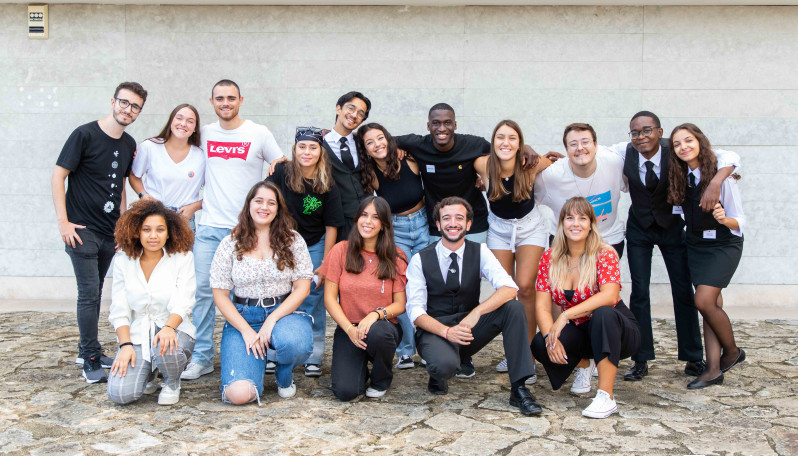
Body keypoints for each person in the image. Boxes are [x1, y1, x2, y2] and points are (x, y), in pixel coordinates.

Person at [603, 111, 740, 382]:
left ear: (659, 131)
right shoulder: (625, 151)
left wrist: (715, 182)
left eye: (647, 130)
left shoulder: (676, 149)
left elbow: (729, 157)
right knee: (639, 293)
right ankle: (640, 358)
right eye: (635, 132)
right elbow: (594, 152)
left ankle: (693, 357)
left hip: (673, 228)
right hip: (639, 229)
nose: (641, 136)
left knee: (684, 291)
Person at [183, 80, 285, 381]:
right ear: (211, 102)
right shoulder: (204, 134)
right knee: (203, 292)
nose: (225, 103)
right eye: (219, 99)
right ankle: (202, 356)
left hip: (248, 230)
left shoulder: (258, 133)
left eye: (231, 98)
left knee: (261, 288)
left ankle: (269, 348)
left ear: (240, 100)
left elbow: (279, 163)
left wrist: (276, 167)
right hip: (211, 227)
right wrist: (195, 205)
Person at [405, 197, 542, 416]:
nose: (453, 223)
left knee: (513, 308)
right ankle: (438, 369)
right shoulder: (420, 259)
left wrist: (477, 312)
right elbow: (415, 311)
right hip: (435, 331)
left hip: (469, 329)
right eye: (446, 218)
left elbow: (509, 288)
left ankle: (519, 389)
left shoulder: (481, 251)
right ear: (438, 225)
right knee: (444, 366)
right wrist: (447, 332)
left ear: (468, 224)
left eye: (459, 218)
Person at [51, 81, 147, 383]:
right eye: (124, 103)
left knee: (97, 292)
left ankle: (86, 349)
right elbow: (58, 177)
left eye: (135, 107)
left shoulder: (129, 143)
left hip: (109, 233)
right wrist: (63, 223)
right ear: (113, 101)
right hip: (81, 229)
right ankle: (90, 358)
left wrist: (122, 229)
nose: (128, 110)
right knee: (89, 293)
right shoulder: (84, 134)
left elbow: (120, 188)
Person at [531, 197, 641, 419]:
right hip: (583, 330)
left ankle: (606, 396)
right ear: (561, 223)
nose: (575, 224)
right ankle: (585, 363)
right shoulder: (548, 258)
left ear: (591, 224)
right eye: (569, 218)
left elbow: (610, 296)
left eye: (582, 218)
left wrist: (565, 316)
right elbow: (542, 306)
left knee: (602, 313)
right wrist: (549, 337)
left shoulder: (605, 253)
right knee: (540, 345)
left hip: (617, 329)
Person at [209, 181, 313, 404]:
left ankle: (284, 374)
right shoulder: (230, 243)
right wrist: (246, 330)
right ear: (249, 205)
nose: (264, 207)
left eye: (271, 202)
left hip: (283, 313)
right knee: (238, 395)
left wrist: (272, 319)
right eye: (259, 201)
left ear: (278, 209)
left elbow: (303, 288)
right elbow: (220, 294)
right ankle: (253, 365)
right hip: (245, 316)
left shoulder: (293, 240)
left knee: (294, 343)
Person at [667, 123, 746, 389]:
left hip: (724, 245)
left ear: (699, 141)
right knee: (711, 306)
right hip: (696, 246)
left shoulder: (722, 178)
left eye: (688, 140)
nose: (683, 147)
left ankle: (733, 352)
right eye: (677, 144)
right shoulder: (680, 176)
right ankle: (713, 369)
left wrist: (726, 219)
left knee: (703, 300)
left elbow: (741, 222)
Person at [474, 120, 552, 380]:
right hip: (498, 229)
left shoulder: (530, 163)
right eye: (500, 137)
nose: (505, 143)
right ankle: (514, 351)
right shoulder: (483, 165)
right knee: (506, 292)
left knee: (526, 287)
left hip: (530, 228)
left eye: (512, 138)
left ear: (520, 143)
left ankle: (527, 355)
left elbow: (555, 166)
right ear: (493, 141)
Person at [395, 104, 539, 243]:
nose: (442, 128)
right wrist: (397, 148)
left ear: (455, 125)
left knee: (475, 268)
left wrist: (525, 147)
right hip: (437, 226)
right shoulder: (418, 144)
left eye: (447, 123)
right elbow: (384, 141)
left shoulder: (474, 144)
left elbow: (503, 149)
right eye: (436, 123)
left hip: (474, 224)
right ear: (428, 126)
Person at [265, 126, 344, 377]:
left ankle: (313, 353)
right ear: (294, 149)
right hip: (281, 245)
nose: (307, 152)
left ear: (320, 152)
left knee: (312, 297)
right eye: (302, 146)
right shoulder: (280, 172)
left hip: (314, 244)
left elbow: (332, 224)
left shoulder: (327, 183)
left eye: (313, 147)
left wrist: (326, 262)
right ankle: (273, 351)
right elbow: (264, 202)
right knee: (278, 295)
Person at [107, 199, 196, 405]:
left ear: (169, 232)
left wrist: (167, 328)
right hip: (139, 333)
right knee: (120, 394)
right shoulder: (123, 262)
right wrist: (125, 345)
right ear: (136, 231)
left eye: (160, 229)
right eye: (146, 229)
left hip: (174, 330)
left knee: (166, 346)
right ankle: (149, 372)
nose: (153, 236)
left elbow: (184, 300)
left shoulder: (182, 258)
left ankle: (172, 382)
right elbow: (119, 309)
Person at [320, 196, 408, 400]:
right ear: (357, 218)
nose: (368, 221)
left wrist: (375, 315)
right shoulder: (341, 250)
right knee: (345, 392)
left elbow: (400, 305)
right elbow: (330, 299)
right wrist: (349, 329)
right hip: (350, 328)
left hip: (382, 327)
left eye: (375, 217)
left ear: (384, 224)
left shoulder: (395, 255)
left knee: (381, 334)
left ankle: (381, 378)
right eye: (364, 215)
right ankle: (359, 367)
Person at [356, 122, 427, 370]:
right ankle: (406, 350)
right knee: (402, 289)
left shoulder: (408, 158)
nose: (377, 145)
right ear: (364, 150)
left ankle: (428, 345)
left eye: (380, 138)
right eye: (370, 142)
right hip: (397, 230)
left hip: (424, 224)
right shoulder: (371, 174)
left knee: (427, 285)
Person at [535, 123, 627, 258]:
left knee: (604, 280)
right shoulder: (552, 176)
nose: (580, 148)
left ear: (596, 145)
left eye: (585, 142)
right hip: (566, 243)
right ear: (566, 151)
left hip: (608, 240)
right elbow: (525, 199)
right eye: (573, 144)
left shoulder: (614, 162)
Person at [129, 103, 205, 230]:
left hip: (183, 220)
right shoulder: (149, 147)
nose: (183, 124)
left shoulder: (201, 156)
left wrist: (195, 206)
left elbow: (215, 191)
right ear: (171, 121)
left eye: (190, 121)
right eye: (179, 118)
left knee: (183, 251)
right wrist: (144, 195)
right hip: (151, 215)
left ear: (195, 128)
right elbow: (134, 176)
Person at [322, 91, 371, 241]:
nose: (354, 115)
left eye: (360, 113)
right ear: (339, 109)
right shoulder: (319, 145)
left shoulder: (364, 144)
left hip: (366, 224)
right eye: (351, 108)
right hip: (337, 226)